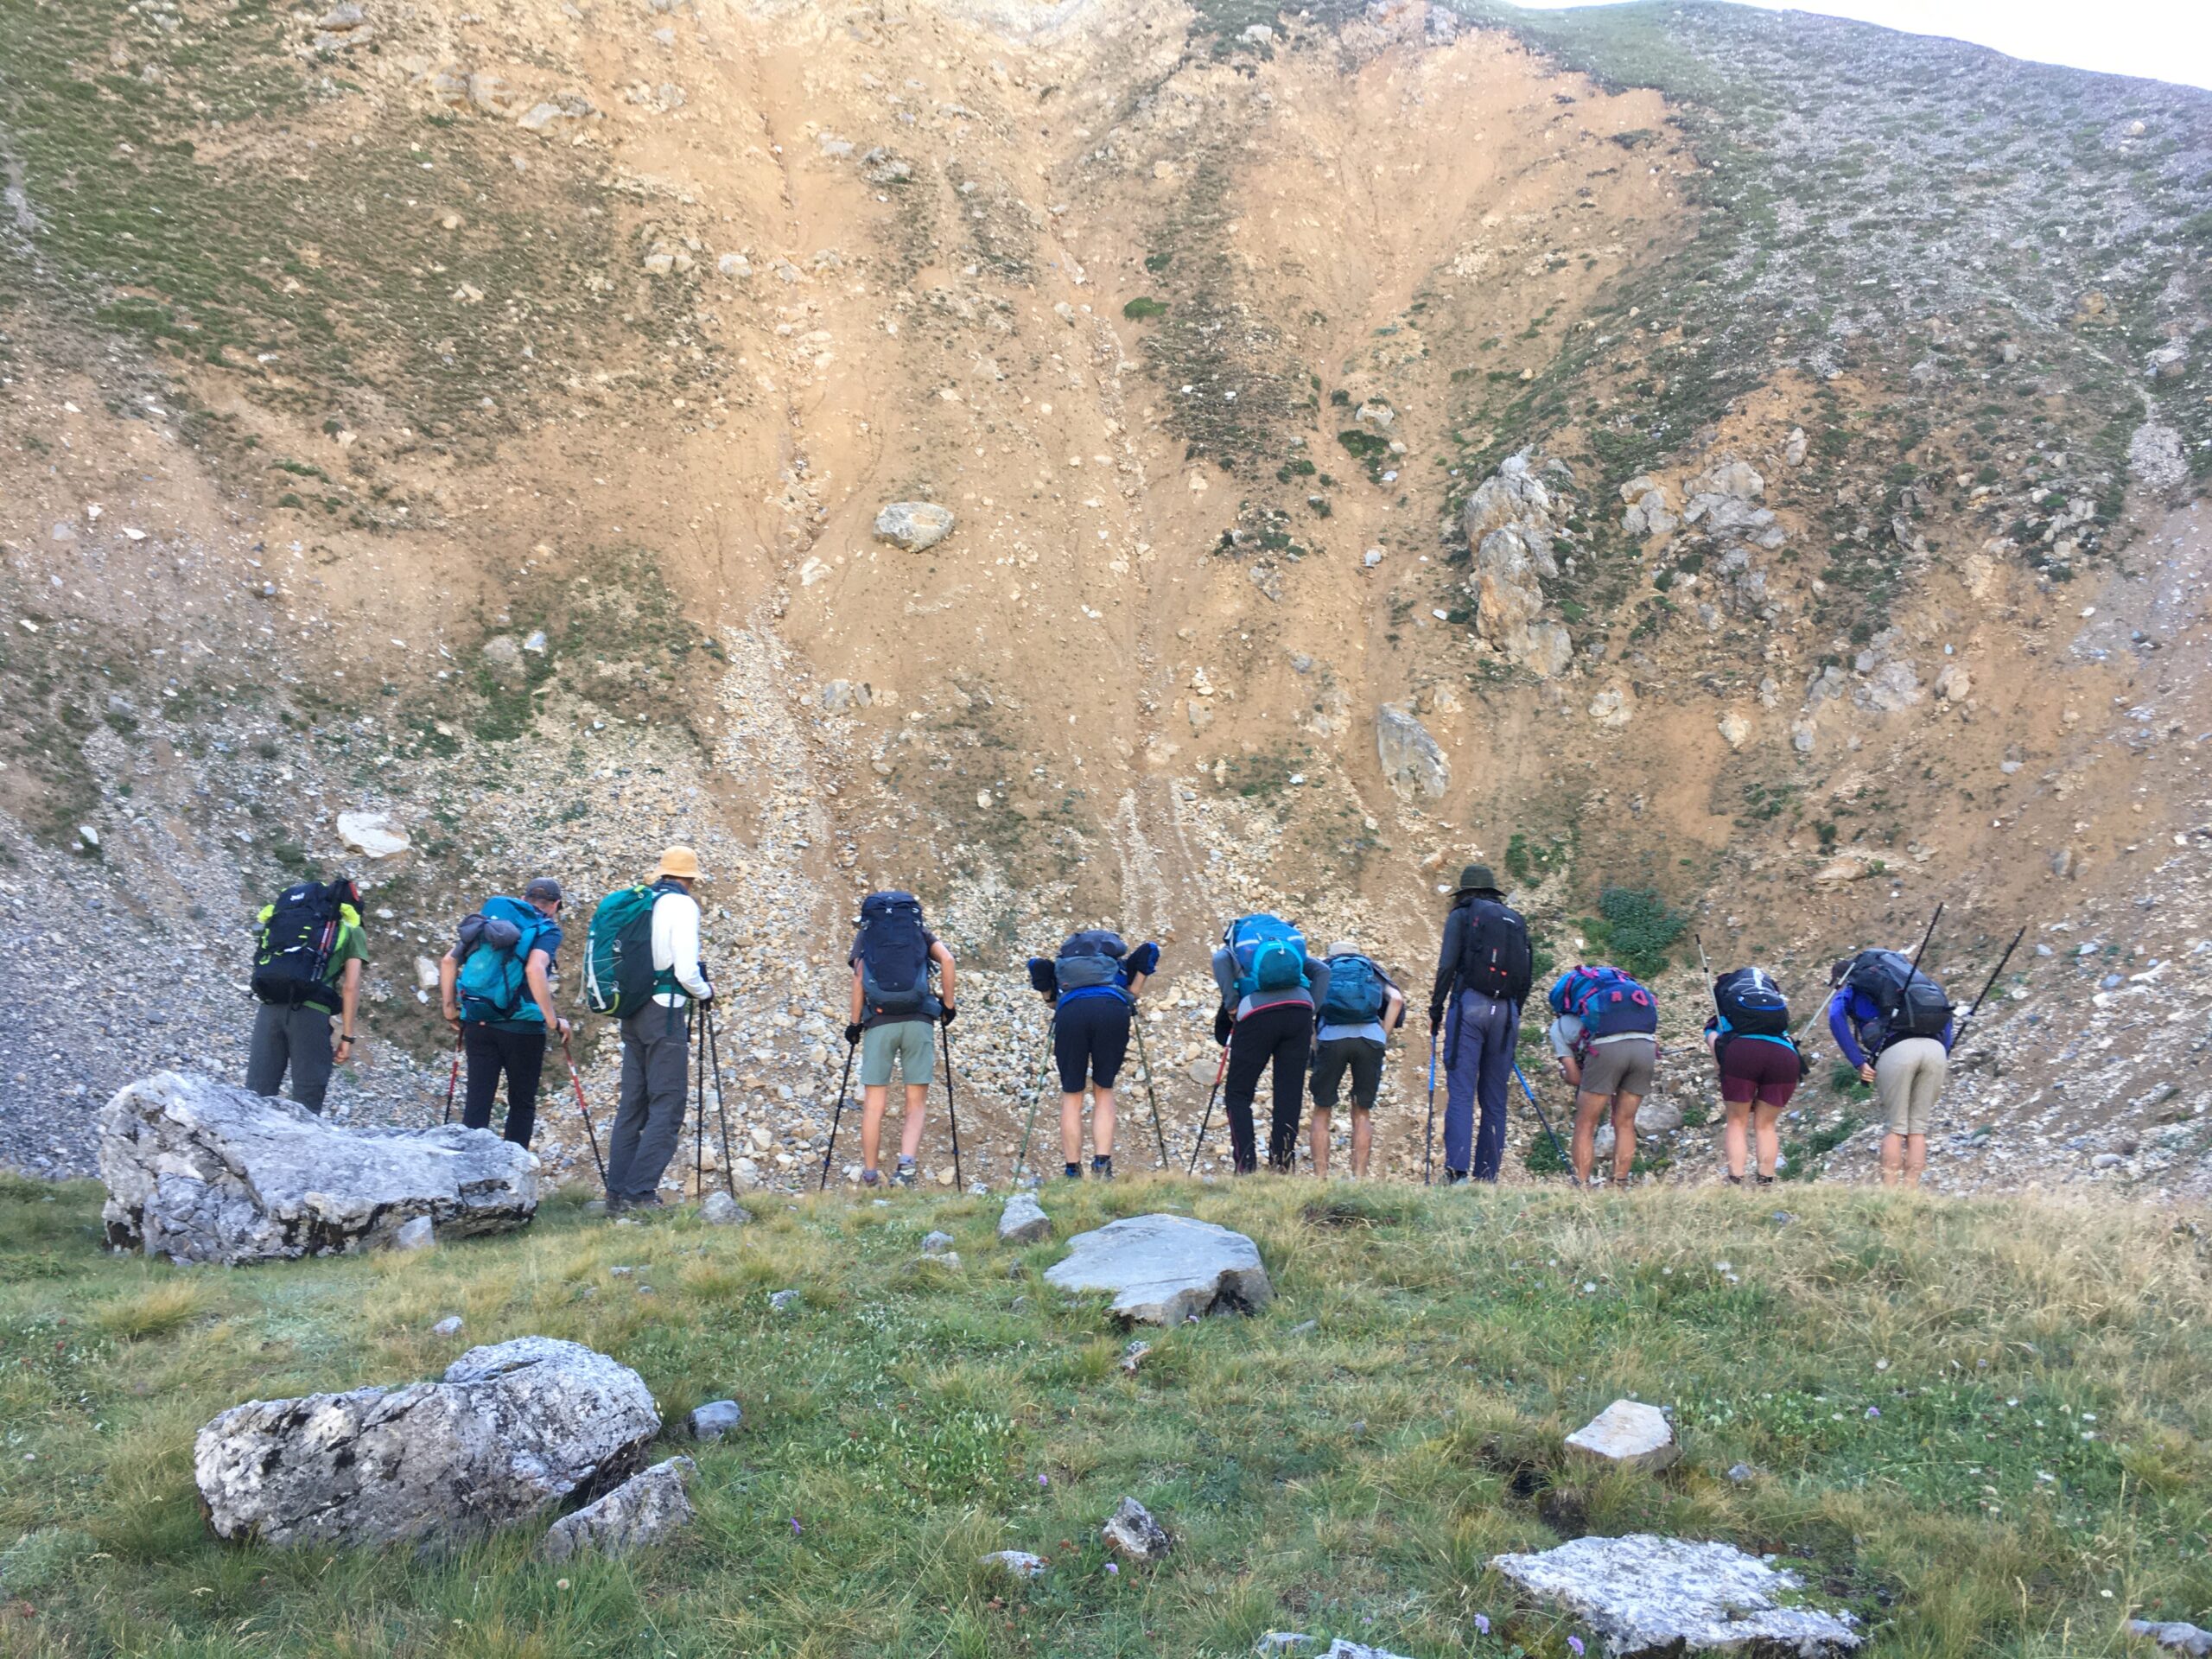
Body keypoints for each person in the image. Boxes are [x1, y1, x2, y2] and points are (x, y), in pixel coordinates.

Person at [601, 849, 714, 1213]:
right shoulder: (682, 906)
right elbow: (685, 971)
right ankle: (640, 1193)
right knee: (668, 1103)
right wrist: (705, 991)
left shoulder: (641, 901)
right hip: (664, 1012)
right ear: (689, 879)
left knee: (632, 1104)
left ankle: (617, 1193)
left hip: (631, 1010)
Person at [440, 877, 570, 1147]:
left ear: (523, 900)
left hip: (478, 1021)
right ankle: (514, 1174)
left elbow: (448, 960)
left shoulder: (490, 923)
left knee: (478, 1100)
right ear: (555, 905)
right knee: (521, 1104)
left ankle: (468, 1173)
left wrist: (450, 1008)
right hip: (522, 1029)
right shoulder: (547, 930)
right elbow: (535, 969)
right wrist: (552, 1020)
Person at [1427, 864, 1535, 1183]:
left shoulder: (1461, 916)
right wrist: (1514, 1014)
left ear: (1466, 892)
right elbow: (1526, 976)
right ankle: (1487, 1177)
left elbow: (1447, 965)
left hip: (1470, 1007)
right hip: (1506, 1014)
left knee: (1461, 1092)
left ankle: (1457, 1173)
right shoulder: (1515, 921)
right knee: (1495, 1099)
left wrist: (1436, 1009)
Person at [1027, 930, 1161, 1179]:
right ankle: (1102, 1166)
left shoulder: (1064, 969)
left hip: (1071, 1015)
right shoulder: (1117, 966)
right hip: (1111, 1012)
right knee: (1103, 1089)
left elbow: (1037, 966)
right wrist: (1132, 993)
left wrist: (1050, 998)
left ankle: (1072, 1171)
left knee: (1072, 1095)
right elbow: (1150, 950)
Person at [846, 889, 956, 1188]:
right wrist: (948, 1006)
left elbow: (858, 980)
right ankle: (905, 1169)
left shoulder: (867, 938)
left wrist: (854, 1024)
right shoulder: (920, 934)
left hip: (879, 1022)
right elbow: (947, 961)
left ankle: (869, 1175)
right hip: (918, 1021)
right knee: (915, 1103)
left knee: (873, 1104)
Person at [1211, 914, 1331, 1173]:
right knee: (1289, 1094)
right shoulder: (1288, 947)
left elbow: (1219, 960)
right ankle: (1283, 1166)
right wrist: (1310, 1009)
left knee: (1238, 1093)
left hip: (1256, 1015)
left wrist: (1231, 1004)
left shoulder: (1238, 947)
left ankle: (1246, 1167)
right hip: (1298, 1012)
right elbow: (1323, 971)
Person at [1827, 950, 1955, 1187]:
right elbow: (1947, 1020)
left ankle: (1890, 1193)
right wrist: (1943, 1054)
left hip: (1896, 1052)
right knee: (1917, 1129)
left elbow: (1835, 1017)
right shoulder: (1919, 984)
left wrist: (1858, 1061)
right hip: (1935, 1052)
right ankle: (1911, 1191)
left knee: (1895, 1127)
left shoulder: (1855, 986)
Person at [245, 875, 366, 1114]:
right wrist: (348, 1037)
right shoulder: (352, 929)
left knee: (255, 1096)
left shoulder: (290, 921)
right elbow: (350, 987)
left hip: (269, 1007)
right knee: (306, 1102)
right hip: (311, 1014)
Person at [1547, 964, 1660, 1189]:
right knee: (1625, 1122)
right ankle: (1619, 1183)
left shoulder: (1560, 1026)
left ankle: (1582, 1184)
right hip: (1646, 1046)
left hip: (1606, 1051)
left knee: (1586, 1123)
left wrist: (1565, 1075)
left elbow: (1576, 1078)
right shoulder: (1622, 1007)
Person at [1310, 939, 1404, 1179]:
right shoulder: (1369, 969)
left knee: (1322, 1109)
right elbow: (1396, 999)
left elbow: (1307, 1005)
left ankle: (1321, 1179)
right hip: (1370, 1038)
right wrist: (1383, 1035)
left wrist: (1315, 1041)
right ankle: (1359, 1178)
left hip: (1331, 1036)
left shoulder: (1323, 968)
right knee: (1362, 1111)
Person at [1701, 965, 1802, 1185]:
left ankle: (1736, 1180)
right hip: (1785, 1056)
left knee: (1737, 1121)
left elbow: (1713, 1040)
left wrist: (1723, 1069)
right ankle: (1765, 1182)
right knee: (1766, 1125)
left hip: (1742, 1052)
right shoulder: (1773, 1014)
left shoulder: (1727, 1014)